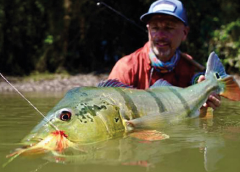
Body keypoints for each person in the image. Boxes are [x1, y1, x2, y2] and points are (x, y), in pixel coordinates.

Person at [108, 0, 220, 109]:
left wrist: (207, 101)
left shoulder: (190, 68)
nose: (160, 35)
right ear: (148, 30)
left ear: (185, 33)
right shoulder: (126, 68)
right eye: (155, 28)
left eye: (169, 28)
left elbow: (197, 82)